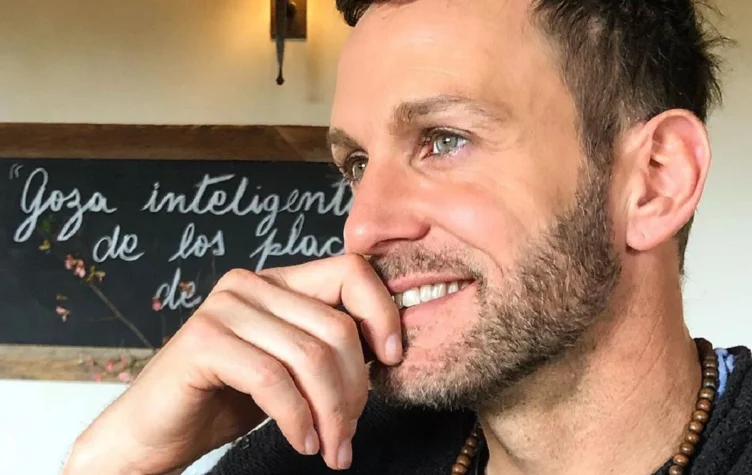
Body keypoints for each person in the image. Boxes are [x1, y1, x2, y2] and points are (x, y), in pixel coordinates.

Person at [61, 0, 752, 474]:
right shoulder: (328, 455)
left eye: (444, 139)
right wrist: (118, 461)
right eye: (358, 165)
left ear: (655, 181)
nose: (362, 226)